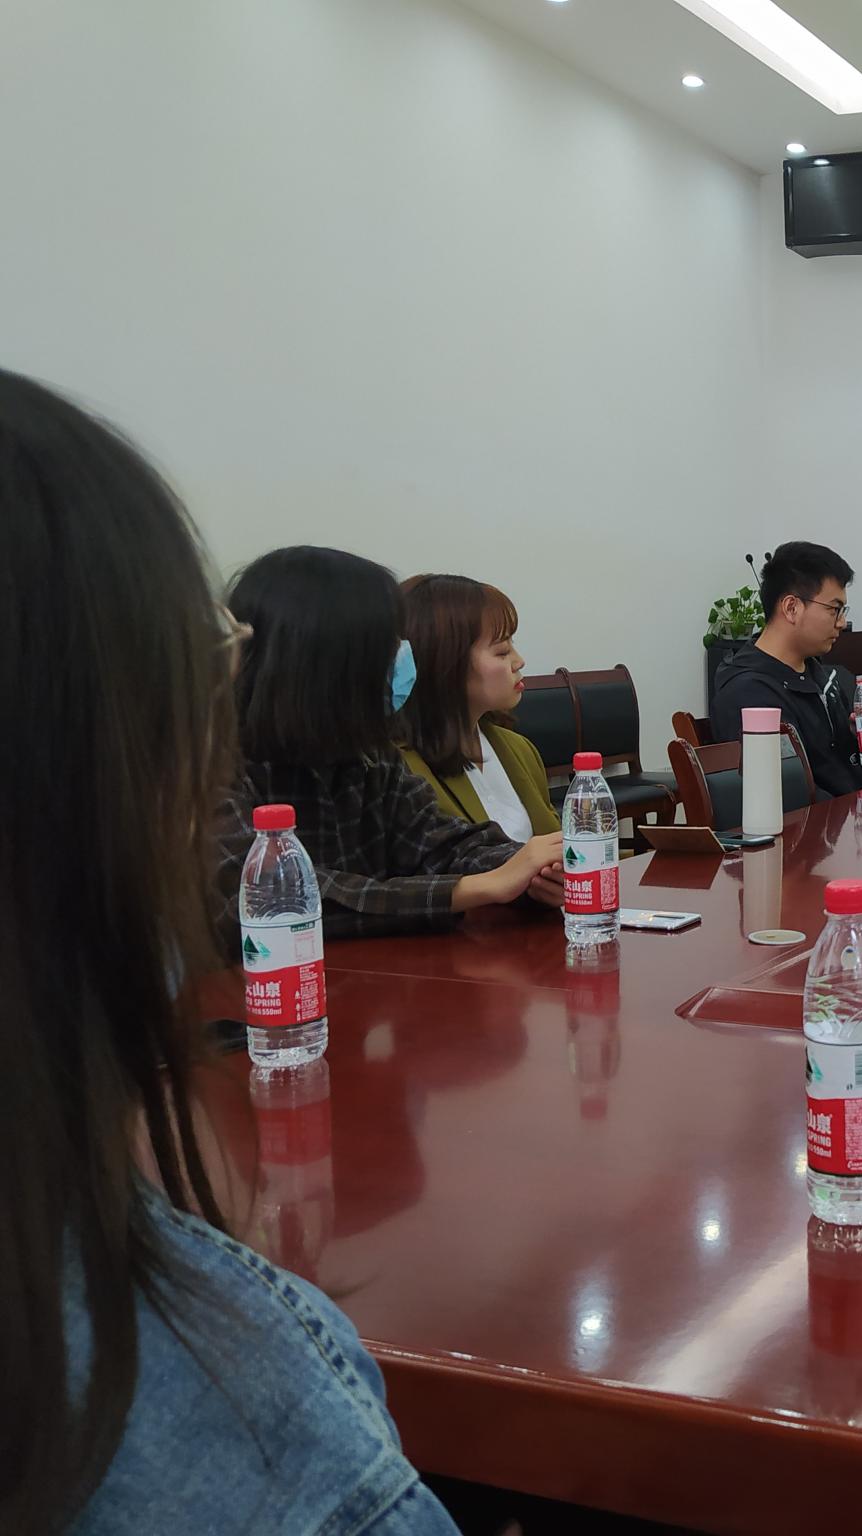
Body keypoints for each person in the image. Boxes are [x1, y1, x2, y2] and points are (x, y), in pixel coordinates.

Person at [0, 367, 459, 1532]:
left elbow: (450, 850)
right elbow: (230, 897)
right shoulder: (231, 1404)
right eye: (202, 662)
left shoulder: (371, 767)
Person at [220, 547, 564, 942]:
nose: (401, 660)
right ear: (323, 664)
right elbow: (267, 898)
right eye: (383, 647)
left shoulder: (367, 755)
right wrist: (475, 888)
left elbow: (440, 843)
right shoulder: (210, 765)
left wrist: (535, 869)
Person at [396, 573, 559, 840]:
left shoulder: (520, 750)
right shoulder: (399, 770)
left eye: (512, 645)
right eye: (502, 651)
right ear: (447, 663)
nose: (519, 661)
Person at [710, 540, 862, 799]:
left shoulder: (820, 675)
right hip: (812, 821)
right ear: (792, 608)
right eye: (834, 609)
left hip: (850, 813)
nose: (842, 622)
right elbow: (788, 793)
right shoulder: (748, 693)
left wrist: (860, 733)